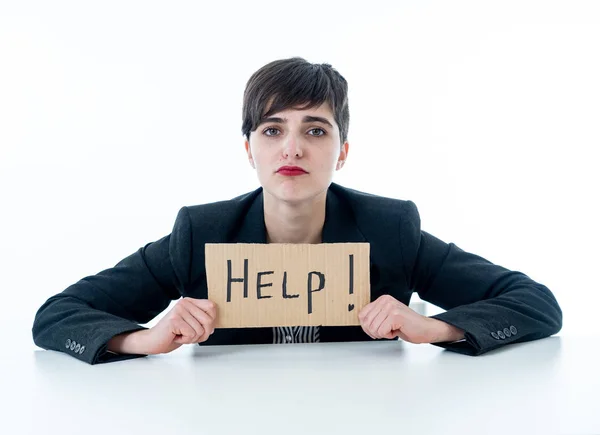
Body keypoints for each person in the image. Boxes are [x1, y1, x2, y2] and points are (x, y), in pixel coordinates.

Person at [32, 57, 562, 364]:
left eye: (314, 130)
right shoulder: (200, 233)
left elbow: (537, 304)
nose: (291, 148)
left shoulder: (390, 229)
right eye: (272, 130)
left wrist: (437, 329)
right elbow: (56, 316)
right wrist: (143, 339)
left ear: (342, 152)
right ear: (249, 150)